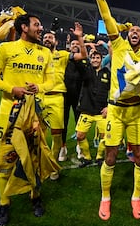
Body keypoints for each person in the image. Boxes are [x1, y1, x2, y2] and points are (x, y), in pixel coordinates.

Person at [79, 0, 140, 220]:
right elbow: (106, 16)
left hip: (138, 112)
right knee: (111, 155)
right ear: (128, 35)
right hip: (115, 113)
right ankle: (106, 197)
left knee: (139, 157)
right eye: (133, 32)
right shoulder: (118, 44)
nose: (136, 34)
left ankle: (135, 197)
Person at [0, 13, 57, 226]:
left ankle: (35, 197)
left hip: (34, 115)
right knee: (6, 160)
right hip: (9, 114)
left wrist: (40, 88)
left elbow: (51, 80)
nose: (41, 28)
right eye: (37, 24)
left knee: (34, 159)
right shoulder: (6, 49)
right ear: (24, 27)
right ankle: (4, 204)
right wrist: (12, 89)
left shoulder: (45, 53)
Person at [42, 25, 87, 180]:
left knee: (57, 133)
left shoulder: (62, 55)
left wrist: (80, 38)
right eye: (45, 37)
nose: (47, 39)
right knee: (36, 135)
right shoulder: (37, 54)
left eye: (50, 37)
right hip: (38, 97)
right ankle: (36, 163)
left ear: (56, 41)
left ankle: (54, 165)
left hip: (57, 97)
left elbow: (83, 55)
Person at [74, 50, 111, 166]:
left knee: (105, 137)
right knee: (80, 136)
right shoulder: (86, 71)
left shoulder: (107, 73)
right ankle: (87, 158)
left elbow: (114, 90)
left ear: (101, 59)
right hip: (86, 111)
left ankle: (100, 157)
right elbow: (79, 62)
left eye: (97, 58)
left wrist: (109, 106)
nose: (95, 60)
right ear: (90, 59)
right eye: (93, 58)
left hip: (102, 112)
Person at [60, 33, 85, 162]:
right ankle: (62, 147)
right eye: (73, 44)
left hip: (78, 98)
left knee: (79, 124)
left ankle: (80, 147)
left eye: (77, 44)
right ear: (69, 47)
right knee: (62, 123)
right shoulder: (64, 59)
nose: (75, 45)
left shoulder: (84, 61)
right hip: (64, 96)